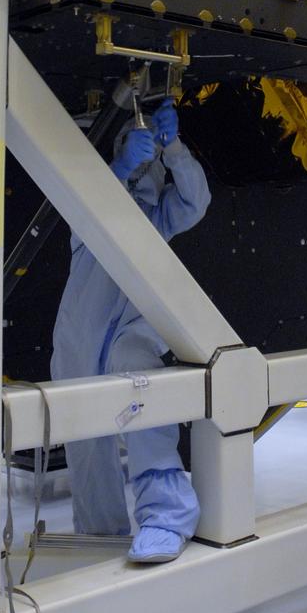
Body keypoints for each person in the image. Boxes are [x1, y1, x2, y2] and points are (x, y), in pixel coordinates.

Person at [51, 96, 211, 563]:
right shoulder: (89, 216)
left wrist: (175, 148)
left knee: (145, 402)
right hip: (79, 343)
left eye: (148, 160)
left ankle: (167, 516)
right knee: (88, 446)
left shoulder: (157, 222)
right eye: (133, 153)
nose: (142, 171)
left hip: (131, 338)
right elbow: (96, 205)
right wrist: (119, 169)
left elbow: (195, 201)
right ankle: (101, 538)